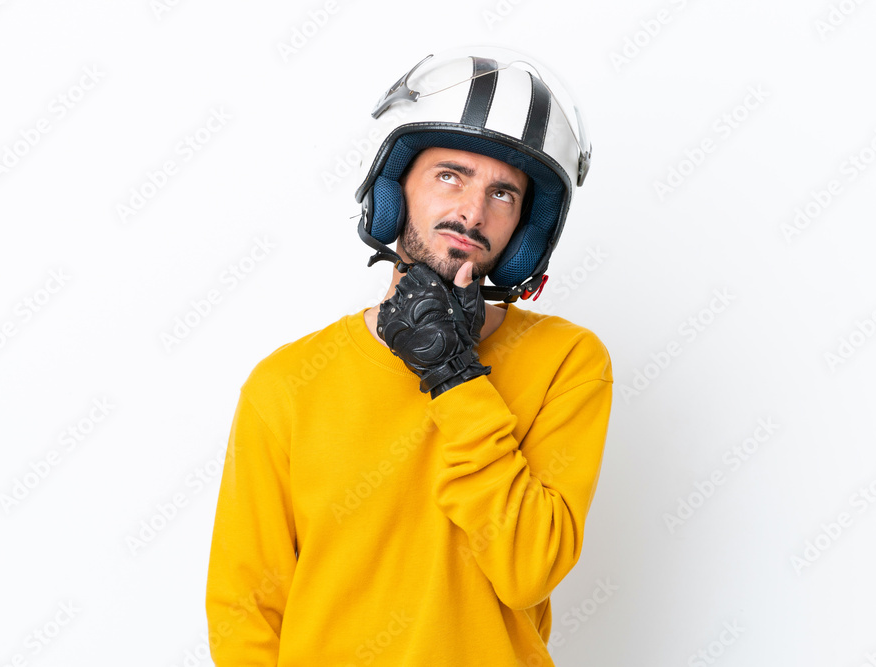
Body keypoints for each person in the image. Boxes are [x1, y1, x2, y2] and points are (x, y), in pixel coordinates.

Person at [205, 47, 613, 666]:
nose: (472, 212)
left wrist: (454, 377)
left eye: (503, 193)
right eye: (450, 175)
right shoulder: (286, 384)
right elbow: (245, 612)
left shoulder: (568, 362)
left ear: (525, 227)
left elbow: (528, 567)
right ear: (396, 188)